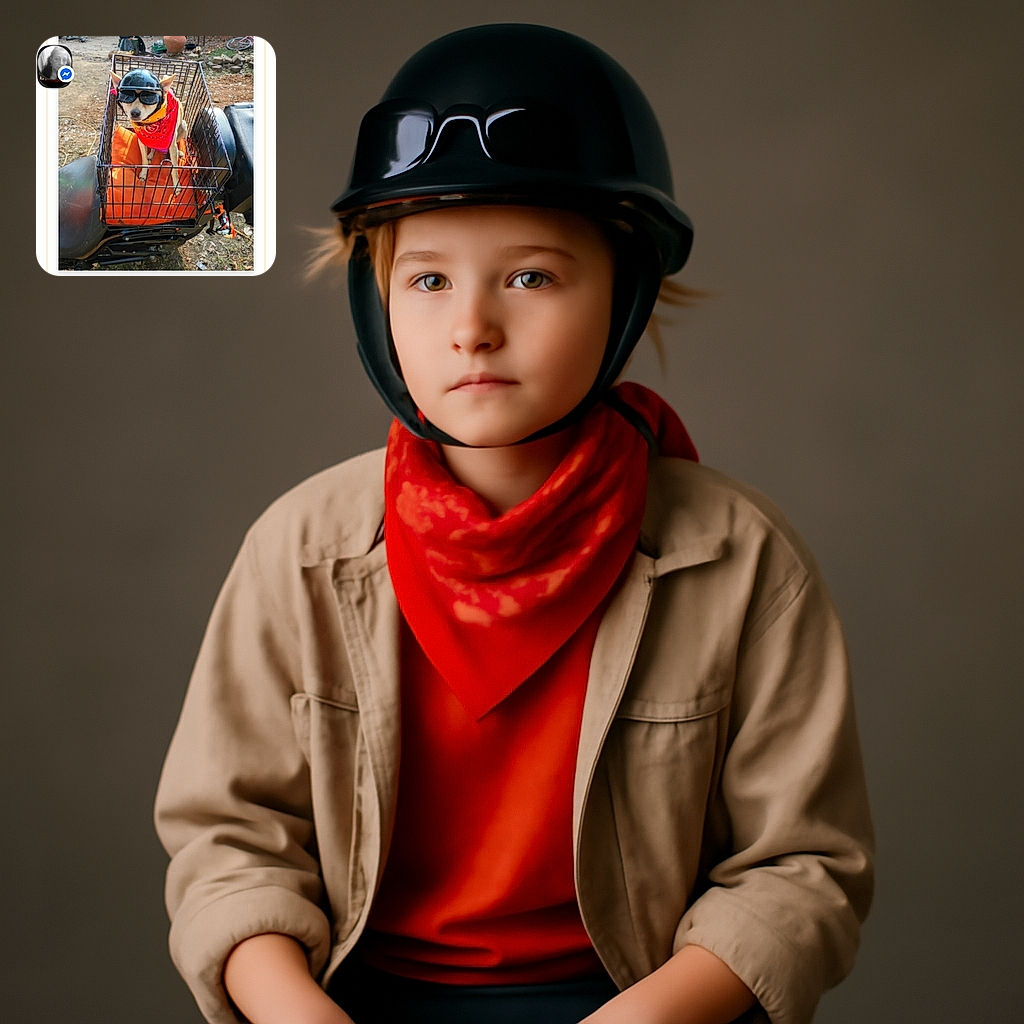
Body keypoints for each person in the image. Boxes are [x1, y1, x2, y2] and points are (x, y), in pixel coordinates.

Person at [155, 23, 873, 1024]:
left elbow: (800, 870)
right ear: (375, 303)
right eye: (428, 279)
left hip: (639, 1004)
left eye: (531, 276)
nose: (472, 328)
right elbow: (228, 841)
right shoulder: (300, 550)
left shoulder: (741, 559)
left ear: (625, 292)